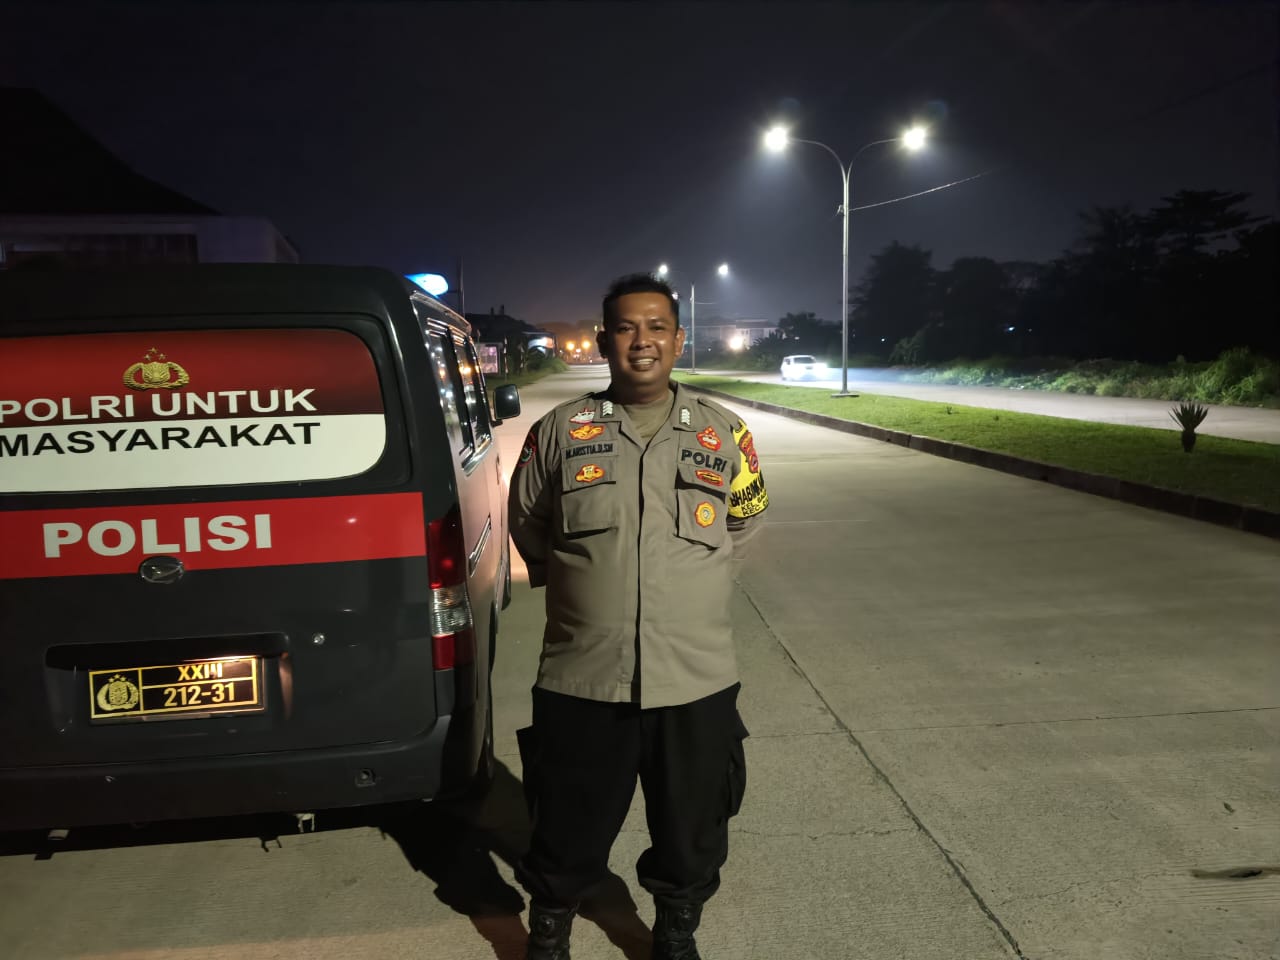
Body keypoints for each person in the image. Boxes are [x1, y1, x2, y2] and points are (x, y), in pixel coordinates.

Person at [508, 272, 769, 960]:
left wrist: (691, 587)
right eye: (626, 328)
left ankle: (676, 930)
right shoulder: (560, 431)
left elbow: (743, 520)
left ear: (678, 340)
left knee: (693, 824)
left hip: (696, 676)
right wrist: (588, 587)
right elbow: (528, 522)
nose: (642, 341)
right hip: (584, 674)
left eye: (657, 327)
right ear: (604, 341)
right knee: (567, 817)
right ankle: (551, 925)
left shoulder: (724, 433)